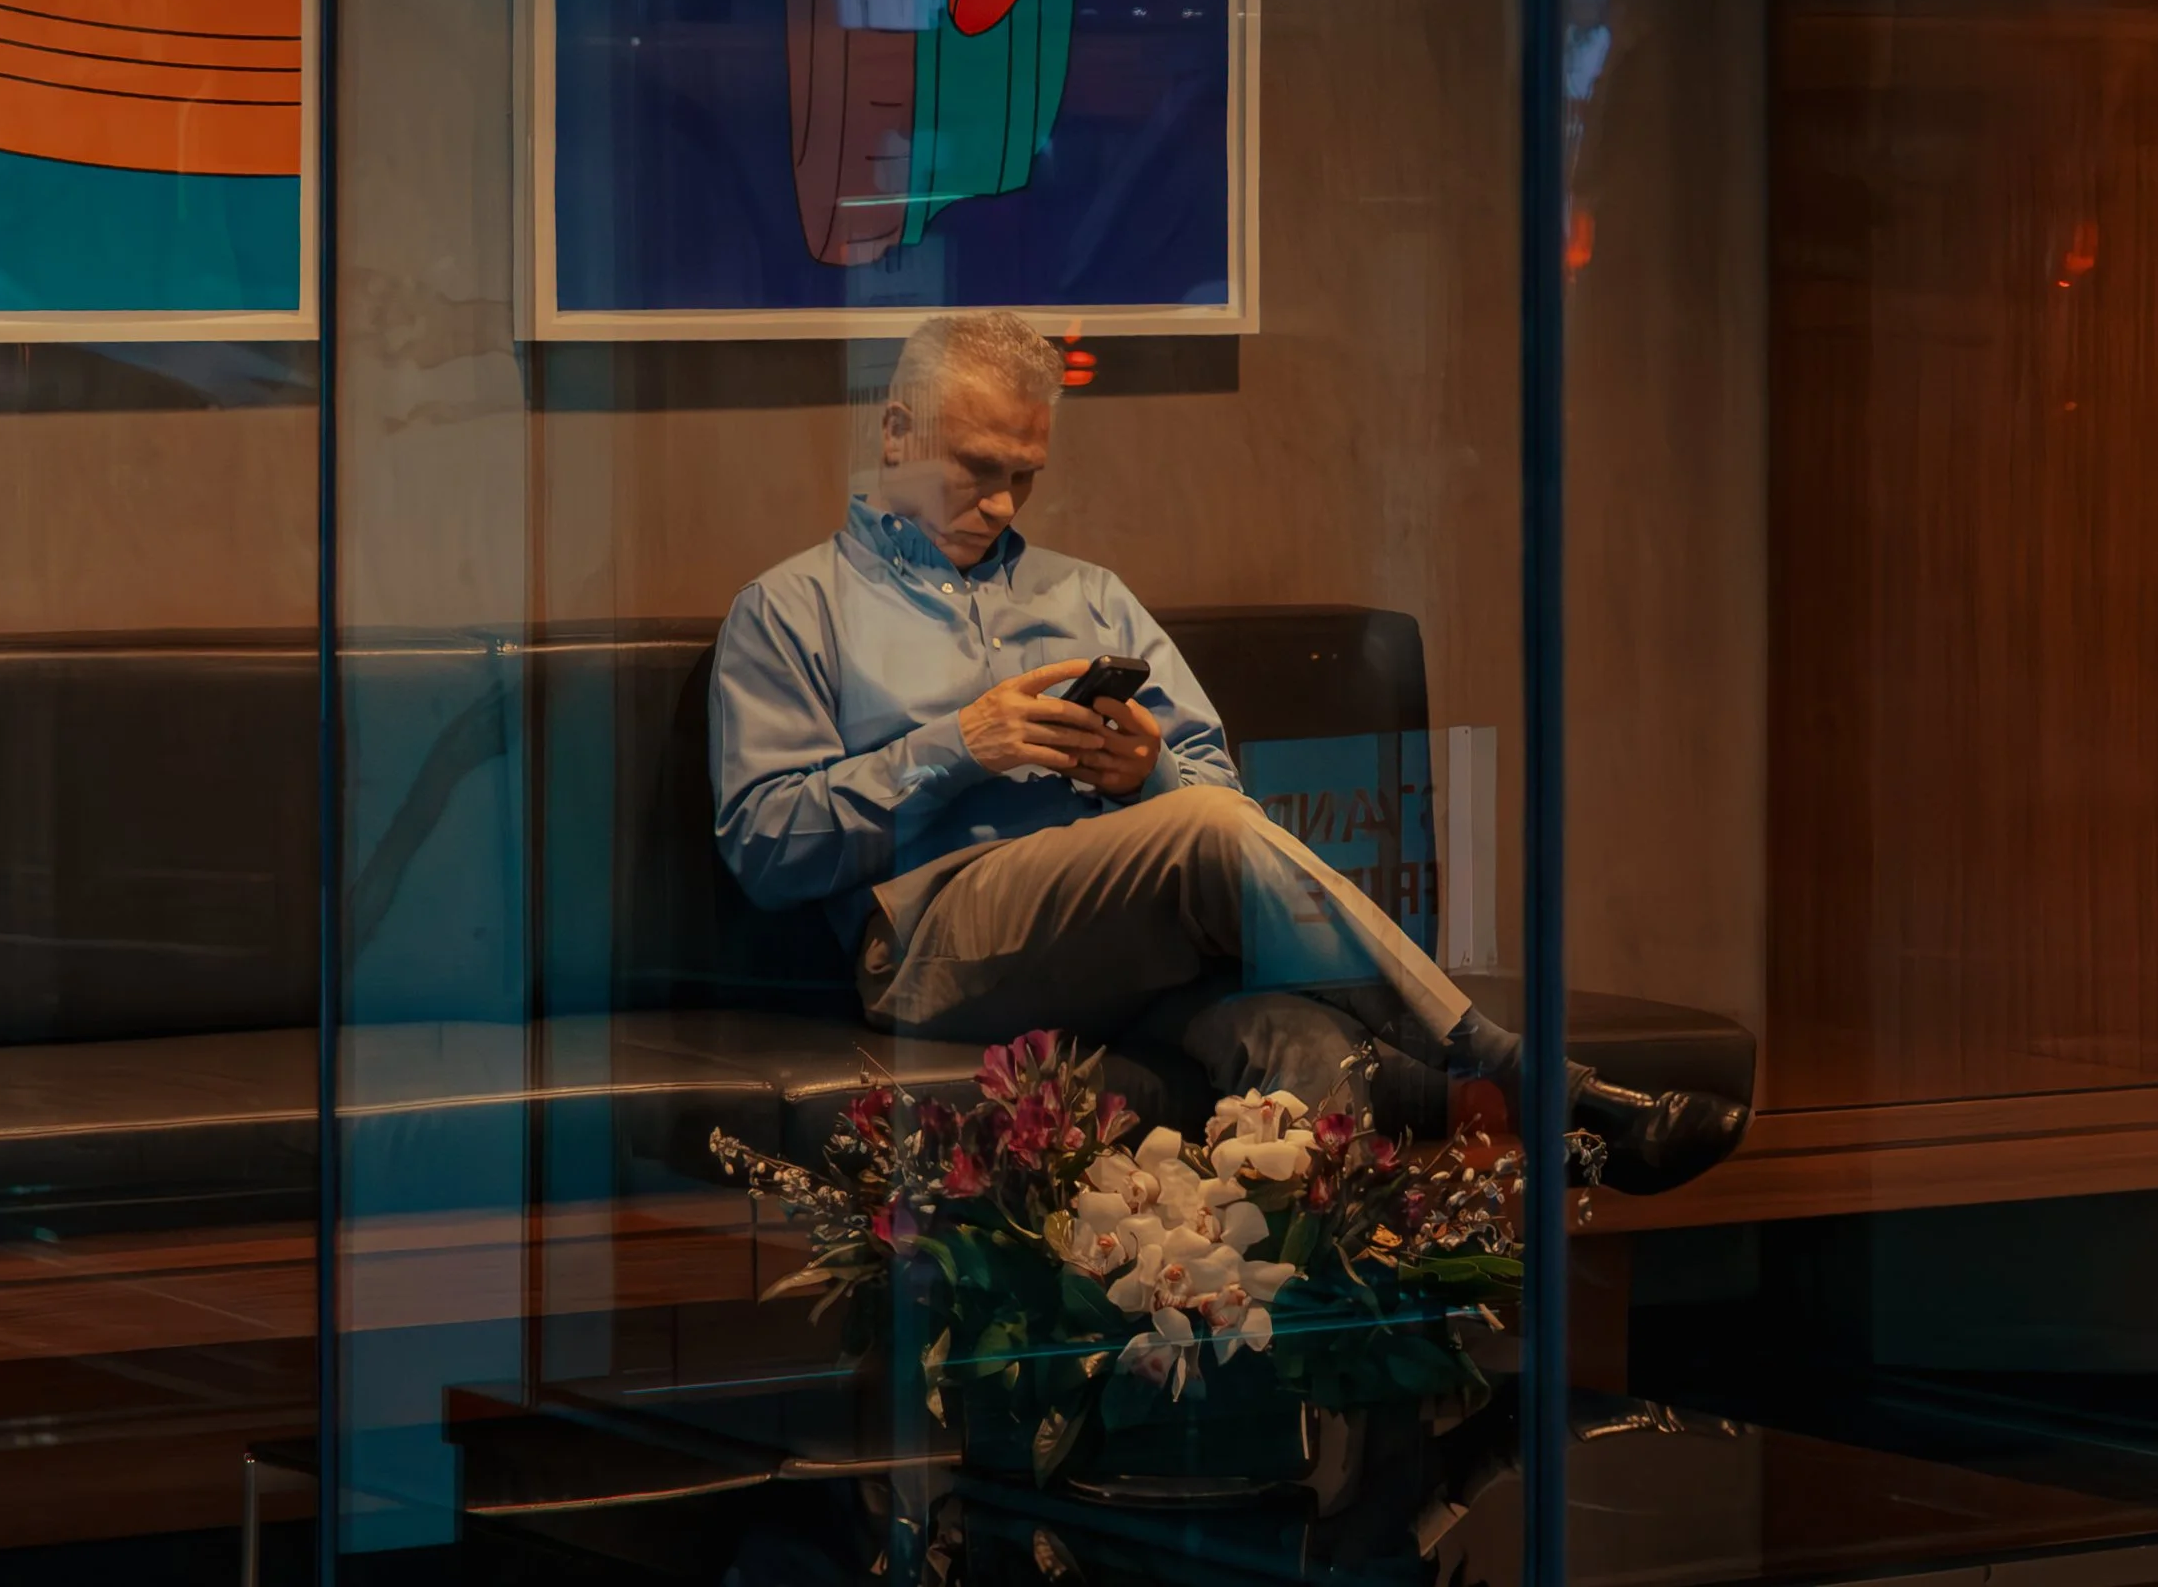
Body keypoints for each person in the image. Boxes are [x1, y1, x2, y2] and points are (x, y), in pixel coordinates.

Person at [709, 309, 1746, 1194]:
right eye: (978, 471)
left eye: (1025, 475)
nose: (1005, 505)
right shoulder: (795, 609)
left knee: (1300, 1043)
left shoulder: (1088, 593)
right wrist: (956, 746)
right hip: (931, 944)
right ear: (895, 432)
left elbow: (1218, 798)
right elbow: (764, 845)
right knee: (1202, 832)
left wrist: (1146, 771)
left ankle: (1322, 1370)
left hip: (1136, 940)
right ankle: (1521, 1075)